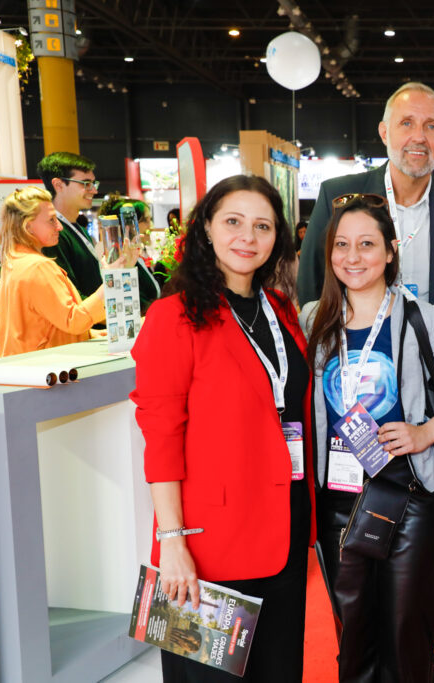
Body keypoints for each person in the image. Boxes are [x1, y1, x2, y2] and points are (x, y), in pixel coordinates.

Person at [130, 175, 314, 682]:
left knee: (278, 671)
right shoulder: (173, 317)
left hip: (285, 527)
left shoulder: (281, 311)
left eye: (263, 226)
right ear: (207, 228)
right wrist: (172, 544)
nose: (247, 237)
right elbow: (161, 437)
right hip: (207, 544)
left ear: (278, 237)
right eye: (233, 222)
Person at [302, 193, 434, 682]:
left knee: (407, 626)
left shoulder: (420, 316)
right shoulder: (312, 319)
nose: (353, 257)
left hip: (409, 495)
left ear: (389, 252)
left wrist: (425, 433)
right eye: (341, 245)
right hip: (338, 497)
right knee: (353, 629)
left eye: (366, 244)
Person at [297, 82, 434, 327]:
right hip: (354, 353)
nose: (419, 137)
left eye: (431, 126)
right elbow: (312, 282)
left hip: (433, 355)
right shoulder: (338, 196)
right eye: (406, 123)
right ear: (385, 133)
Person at [0, 187, 113, 356]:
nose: (59, 227)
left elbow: (41, 323)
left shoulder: (16, 261)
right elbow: (74, 320)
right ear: (28, 226)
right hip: (46, 371)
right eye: (51, 220)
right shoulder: (37, 266)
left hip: (27, 367)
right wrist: (109, 281)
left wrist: (87, 334)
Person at [36, 151, 105, 298]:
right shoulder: (52, 233)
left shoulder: (78, 228)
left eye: (93, 183)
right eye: (86, 184)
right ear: (58, 185)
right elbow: (67, 293)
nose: (94, 190)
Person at [97, 193, 162, 314]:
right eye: (146, 220)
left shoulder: (137, 254)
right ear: (129, 226)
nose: (151, 226)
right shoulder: (117, 260)